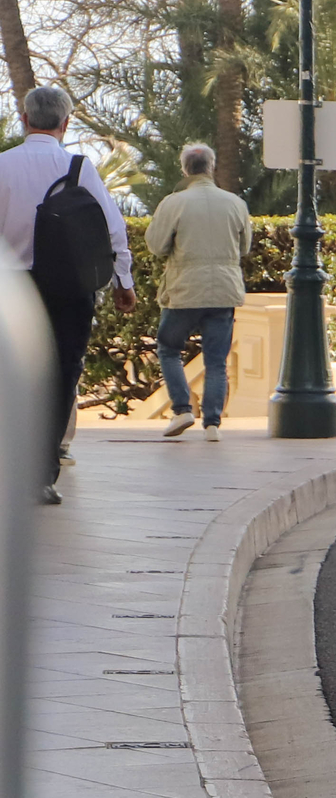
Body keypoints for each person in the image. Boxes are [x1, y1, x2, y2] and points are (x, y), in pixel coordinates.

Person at [0, 86, 136, 504]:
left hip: (11, 287)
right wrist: (123, 282)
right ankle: (42, 473)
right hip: (68, 287)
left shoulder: (2, 165)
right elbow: (112, 227)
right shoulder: (78, 167)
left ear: (24, 120)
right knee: (62, 372)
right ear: (65, 124)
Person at [146, 143, 250, 441]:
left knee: (168, 347)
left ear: (185, 169)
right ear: (211, 166)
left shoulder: (174, 203)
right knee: (216, 360)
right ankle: (213, 423)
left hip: (184, 290)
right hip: (224, 292)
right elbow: (244, 247)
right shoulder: (235, 203)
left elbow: (155, 245)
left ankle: (182, 409)